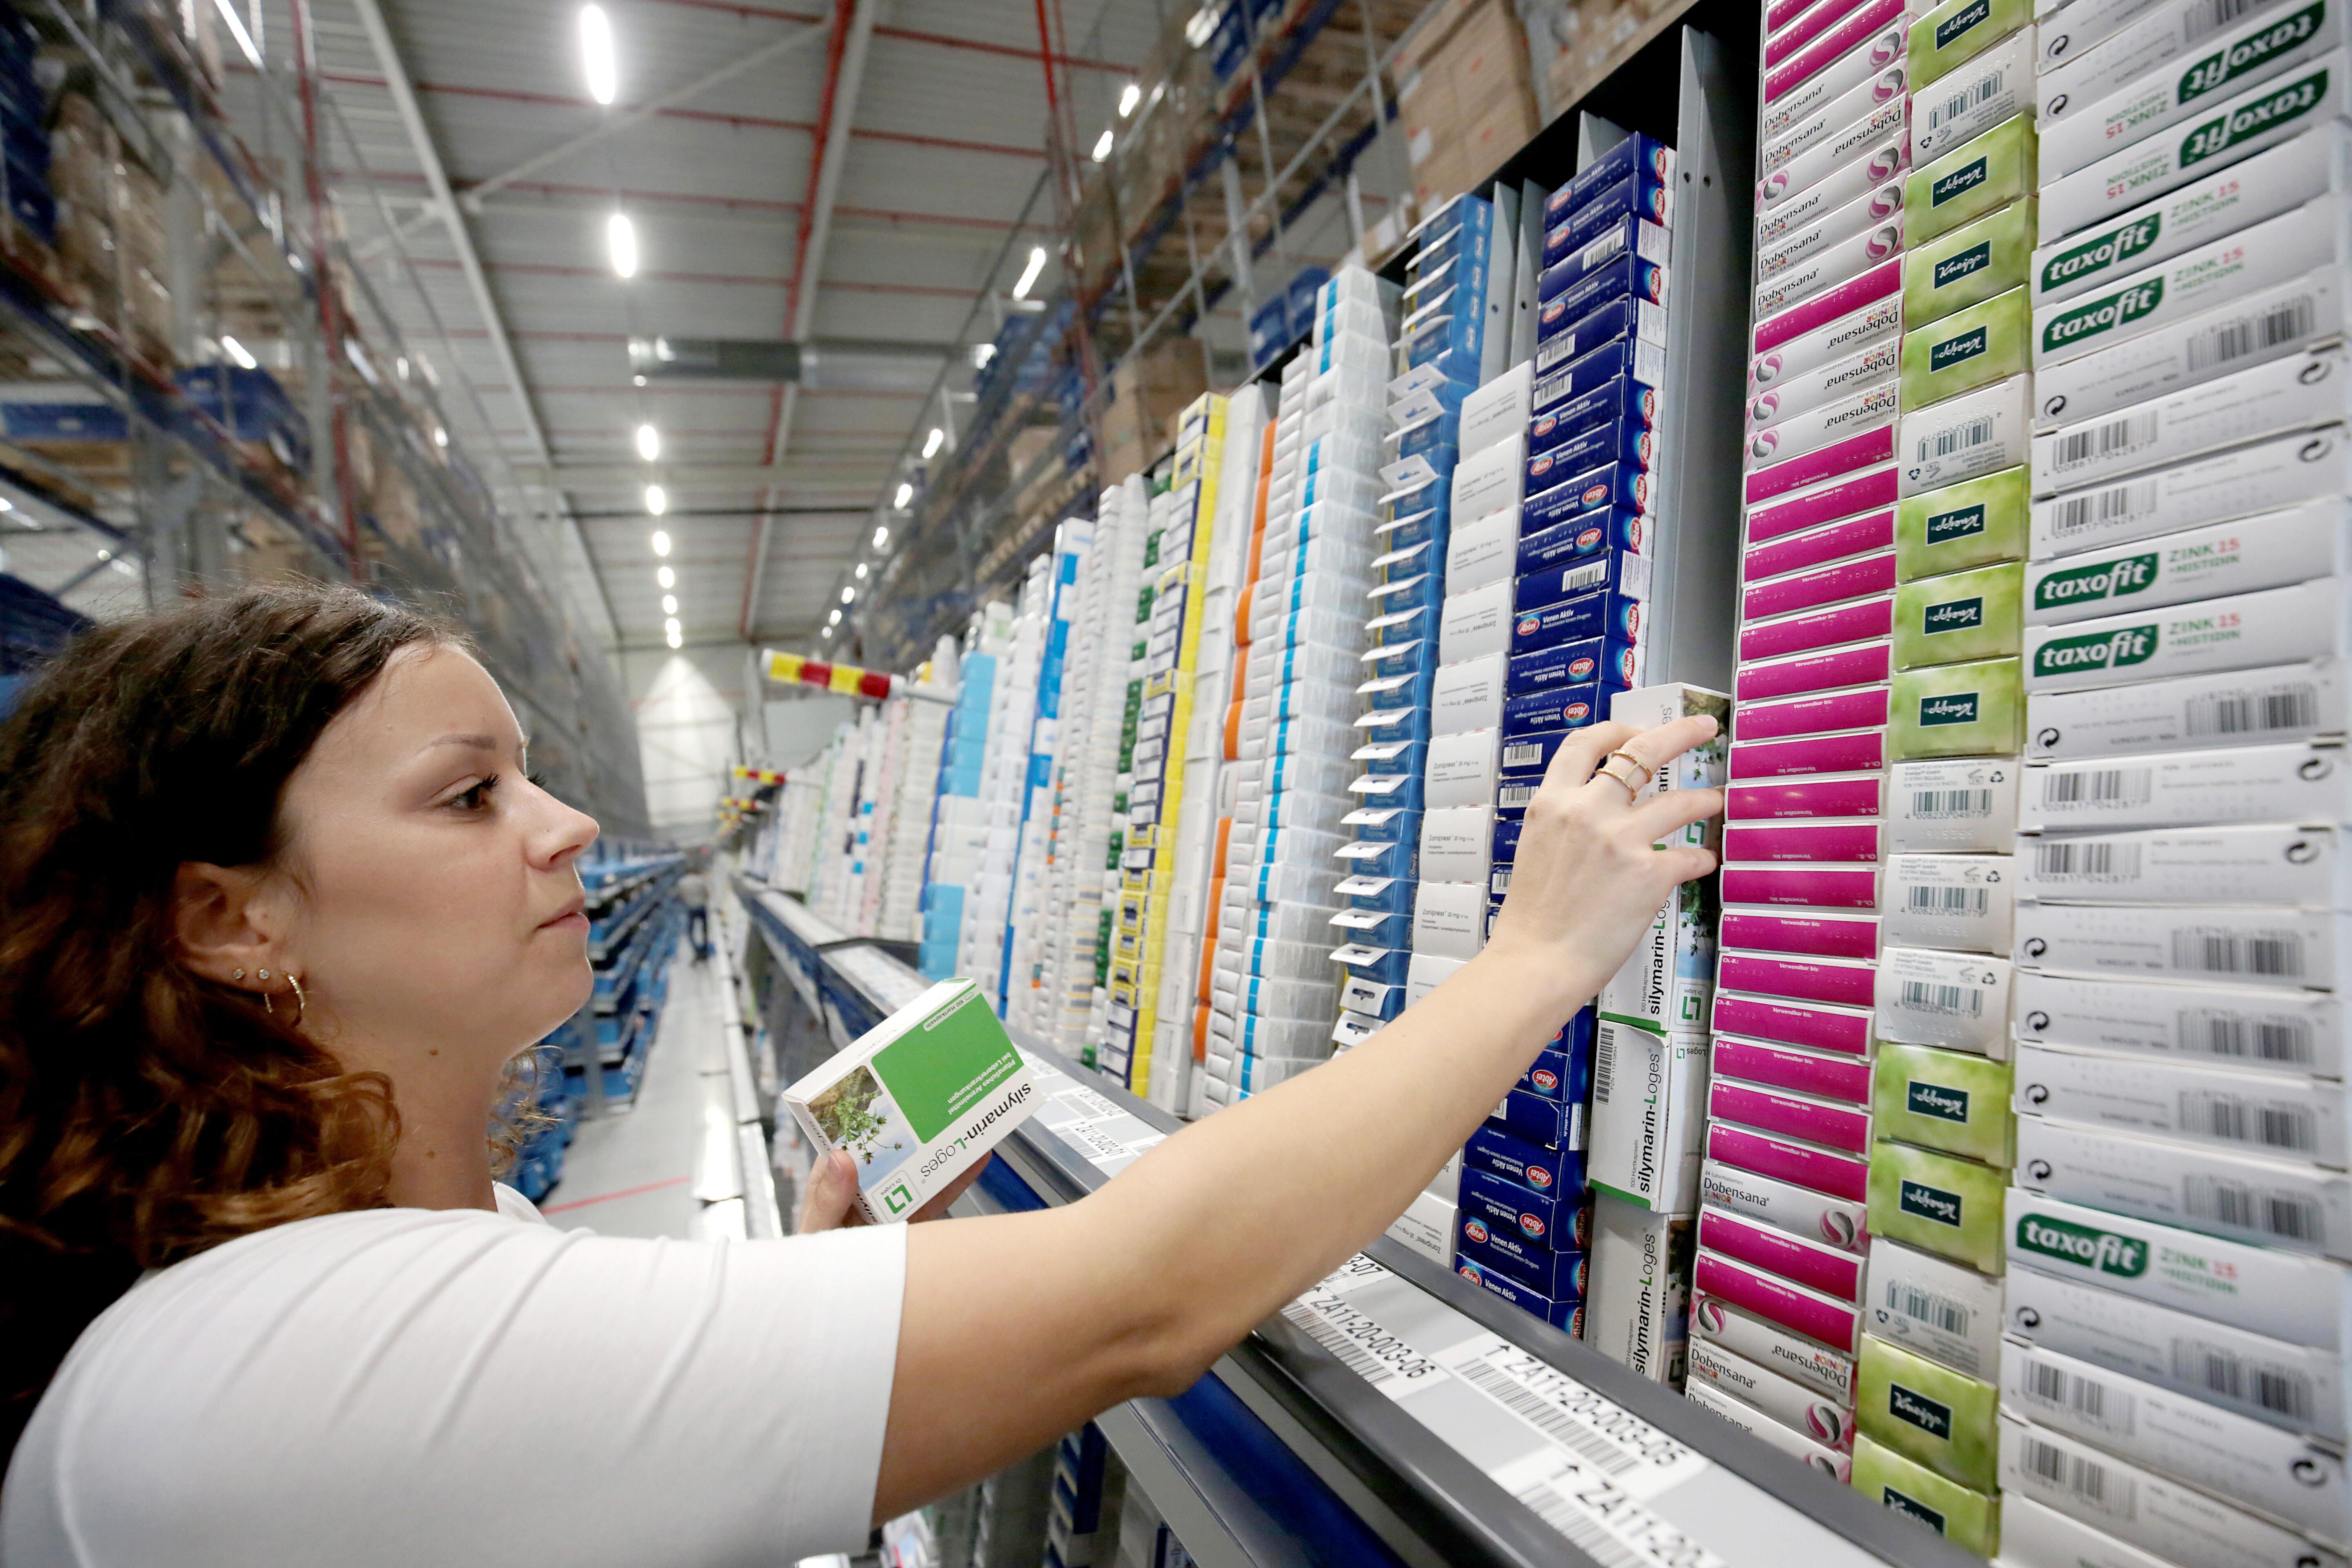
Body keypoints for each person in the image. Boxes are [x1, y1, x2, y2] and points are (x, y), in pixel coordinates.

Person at [0, 583, 1720, 1567]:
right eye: (470, 798)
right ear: (228, 918)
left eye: (533, 777)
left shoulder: (371, 1278)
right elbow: (1155, 1290)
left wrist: (815, 1315)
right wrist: (1540, 957)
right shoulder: (294, 1364)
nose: (573, 827)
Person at [677, 863, 711, 961]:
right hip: (701, 907)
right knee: (705, 929)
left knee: (690, 932)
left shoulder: (682, 882)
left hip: (691, 908)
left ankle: (697, 950)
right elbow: (707, 894)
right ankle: (705, 949)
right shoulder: (700, 880)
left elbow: (681, 896)